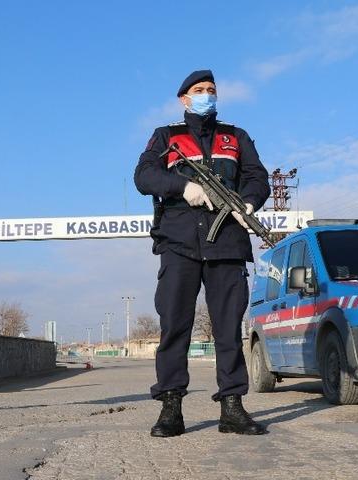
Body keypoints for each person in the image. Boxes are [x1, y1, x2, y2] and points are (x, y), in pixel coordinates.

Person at [134, 70, 270, 436]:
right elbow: (144, 176)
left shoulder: (236, 136)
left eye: (211, 90)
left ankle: (232, 406)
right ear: (184, 98)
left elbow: (257, 177)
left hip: (227, 243)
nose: (206, 94)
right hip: (178, 243)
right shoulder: (167, 136)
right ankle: (171, 407)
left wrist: (248, 202)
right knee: (174, 326)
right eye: (199, 90)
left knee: (228, 329)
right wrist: (182, 187)